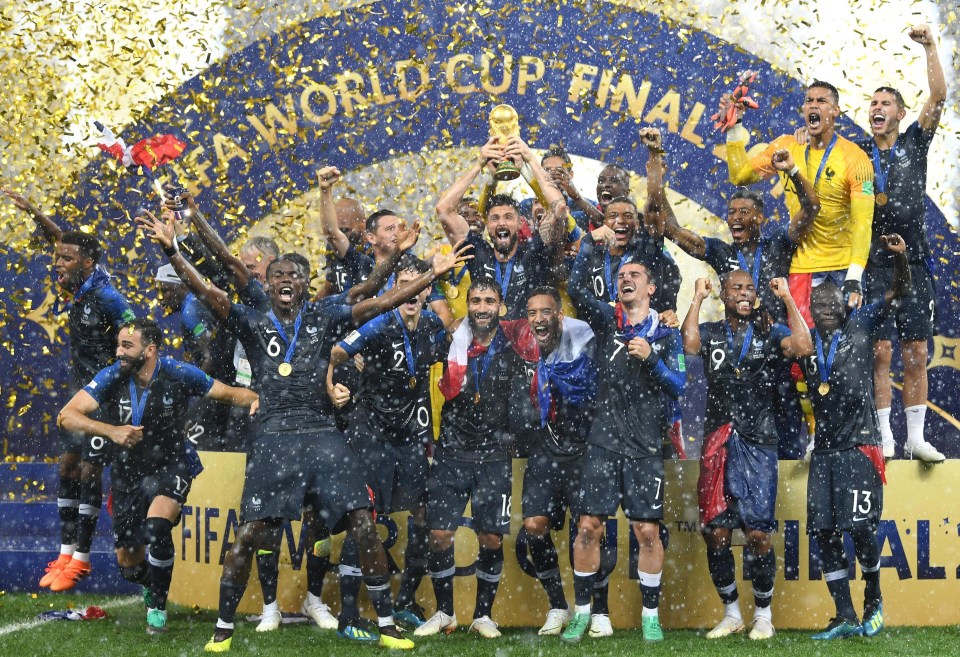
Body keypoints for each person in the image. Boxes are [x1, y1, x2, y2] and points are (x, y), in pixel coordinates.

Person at [139, 202, 470, 652]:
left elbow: (379, 296)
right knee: (251, 531)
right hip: (274, 433)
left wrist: (427, 273)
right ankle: (223, 627)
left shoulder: (324, 317)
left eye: (295, 275)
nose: (286, 282)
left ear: (305, 284)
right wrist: (174, 251)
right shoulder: (251, 321)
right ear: (268, 285)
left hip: (320, 431)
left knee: (362, 520)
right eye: (277, 276)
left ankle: (387, 623)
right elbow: (208, 290)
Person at [57, 319, 257, 634]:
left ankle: (158, 607)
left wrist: (261, 399)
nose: (119, 352)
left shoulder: (178, 373)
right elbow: (67, 415)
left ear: (149, 350)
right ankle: (152, 584)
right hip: (128, 472)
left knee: (157, 525)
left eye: (127, 346)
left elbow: (229, 393)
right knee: (129, 565)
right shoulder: (112, 376)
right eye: (118, 345)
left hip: (172, 462)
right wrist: (113, 431)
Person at [643, 126, 818, 459]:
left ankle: (780, 505)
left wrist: (792, 172)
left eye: (743, 212)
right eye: (731, 212)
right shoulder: (722, 252)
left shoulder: (778, 245)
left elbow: (810, 209)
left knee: (785, 447)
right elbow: (672, 230)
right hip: (734, 358)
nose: (734, 217)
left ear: (760, 218)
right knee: (726, 450)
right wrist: (657, 171)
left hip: (774, 355)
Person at [2, 188, 136, 592]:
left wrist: (117, 378)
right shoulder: (78, 285)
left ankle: (80, 559)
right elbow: (63, 241)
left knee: (92, 472)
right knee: (67, 469)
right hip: (81, 397)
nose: (57, 262)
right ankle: (63, 553)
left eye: (66, 259)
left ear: (88, 263)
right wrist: (37, 212)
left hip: (105, 399)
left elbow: (135, 340)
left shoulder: (108, 297)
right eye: (57, 257)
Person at [681, 273, 812, 641]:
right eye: (736, 288)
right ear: (724, 294)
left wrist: (786, 297)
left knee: (758, 534)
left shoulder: (769, 334)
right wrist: (697, 298)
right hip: (718, 440)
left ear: (756, 297)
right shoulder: (711, 332)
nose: (743, 293)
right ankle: (732, 613)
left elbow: (802, 347)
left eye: (749, 289)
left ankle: (765, 615)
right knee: (716, 532)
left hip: (759, 443)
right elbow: (689, 345)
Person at [563, 261, 685, 642]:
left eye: (635, 276)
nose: (626, 279)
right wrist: (589, 246)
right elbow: (576, 287)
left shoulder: (667, 335)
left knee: (646, 530)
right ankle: (582, 613)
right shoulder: (606, 321)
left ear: (651, 289)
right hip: (603, 442)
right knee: (588, 527)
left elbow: (679, 385)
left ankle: (650, 616)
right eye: (621, 276)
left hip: (646, 446)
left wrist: (652, 359)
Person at [327, 254, 447, 635]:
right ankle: (348, 616)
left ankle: (406, 599)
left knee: (423, 517)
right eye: (403, 284)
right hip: (372, 435)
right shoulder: (378, 325)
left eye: (418, 284)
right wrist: (333, 386)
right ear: (395, 290)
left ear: (427, 290)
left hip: (410, 436)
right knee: (364, 520)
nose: (411, 293)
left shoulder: (431, 324)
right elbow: (333, 353)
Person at [799, 233, 910, 640]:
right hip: (824, 451)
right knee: (824, 532)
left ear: (846, 305)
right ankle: (844, 614)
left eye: (832, 302)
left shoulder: (862, 324)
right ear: (811, 309)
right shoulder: (805, 340)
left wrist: (901, 260)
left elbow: (897, 293)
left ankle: (874, 602)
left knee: (862, 529)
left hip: (861, 445)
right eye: (819, 303)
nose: (826, 306)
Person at [413, 276, 529, 639]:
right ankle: (445, 612)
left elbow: (522, 405)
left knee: (491, 539)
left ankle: (483, 615)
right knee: (439, 535)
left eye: (489, 301)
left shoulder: (514, 351)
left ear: (501, 307)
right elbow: (414, 356)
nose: (481, 308)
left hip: (493, 456)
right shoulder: (450, 343)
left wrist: (515, 429)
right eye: (475, 301)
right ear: (468, 305)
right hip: (450, 452)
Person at [858, 24, 946, 461]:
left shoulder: (916, 141)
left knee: (915, 351)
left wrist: (930, 45)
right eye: (872, 103)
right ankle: (884, 441)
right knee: (879, 352)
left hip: (912, 263)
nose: (877, 108)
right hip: (873, 265)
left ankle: (914, 437)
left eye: (885, 103)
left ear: (899, 112)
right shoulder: (856, 152)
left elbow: (939, 97)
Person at [722, 80, 875, 321]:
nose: (813, 105)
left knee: (846, 349)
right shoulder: (786, 146)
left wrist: (854, 277)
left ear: (835, 111)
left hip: (843, 267)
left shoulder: (855, 158)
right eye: (809, 101)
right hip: (801, 267)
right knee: (802, 351)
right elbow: (739, 176)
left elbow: (864, 223)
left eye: (821, 101)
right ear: (803, 110)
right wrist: (734, 127)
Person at [518, 287, 597, 636]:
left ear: (559, 316)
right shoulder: (520, 346)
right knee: (534, 526)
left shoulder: (584, 342)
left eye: (545, 312)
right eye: (532, 313)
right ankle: (557, 605)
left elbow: (593, 392)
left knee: (587, 530)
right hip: (544, 450)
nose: (538, 319)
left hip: (582, 449)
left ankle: (594, 609)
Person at [436, 137, 567, 320]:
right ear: (487, 225)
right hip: (487, 342)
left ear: (521, 223)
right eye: (495, 218)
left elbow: (559, 208)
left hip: (528, 341)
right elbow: (444, 209)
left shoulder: (534, 252)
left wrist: (528, 162)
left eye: (508, 217)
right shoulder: (477, 252)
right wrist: (479, 164)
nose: (502, 223)